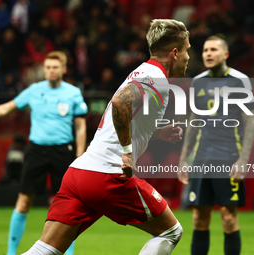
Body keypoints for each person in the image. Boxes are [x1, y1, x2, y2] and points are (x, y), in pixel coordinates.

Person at [22, 19, 190, 255]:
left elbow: (126, 115)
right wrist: (128, 152)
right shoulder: (156, 78)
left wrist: (158, 132)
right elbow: (121, 104)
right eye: (186, 50)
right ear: (174, 53)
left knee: (46, 249)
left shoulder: (142, 71)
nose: (188, 57)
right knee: (170, 232)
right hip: (108, 175)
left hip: (79, 174)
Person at [0, 51, 87, 255]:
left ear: (64, 69)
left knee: (68, 206)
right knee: (24, 201)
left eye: (55, 67)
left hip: (63, 151)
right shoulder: (34, 90)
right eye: (48, 67)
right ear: (44, 69)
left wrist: (79, 155)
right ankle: (11, 252)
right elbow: (5, 109)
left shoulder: (73, 93)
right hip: (36, 150)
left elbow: (80, 127)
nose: (51, 71)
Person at [178, 35, 254, 255]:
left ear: (225, 54)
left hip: (229, 156)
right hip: (201, 157)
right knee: (198, 218)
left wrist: (243, 160)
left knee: (229, 218)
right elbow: (193, 123)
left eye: (213, 50)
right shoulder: (198, 81)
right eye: (205, 50)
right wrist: (184, 159)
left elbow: (250, 122)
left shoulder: (239, 80)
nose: (208, 54)